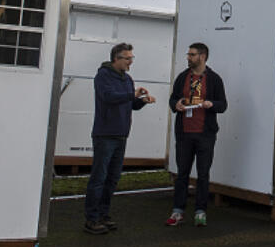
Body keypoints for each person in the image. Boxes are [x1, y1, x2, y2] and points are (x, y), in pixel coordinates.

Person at [84, 42, 155, 234]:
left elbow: (129, 104)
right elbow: (109, 97)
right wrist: (131, 94)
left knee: (112, 178)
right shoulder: (103, 76)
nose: (130, 61)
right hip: (105, 134)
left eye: (132, 58)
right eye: (127, 58)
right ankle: (91, 218)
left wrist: (142, 101)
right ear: (116, 58)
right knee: (99, 177)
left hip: (122, 134)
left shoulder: (127, 79)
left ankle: (103, 214)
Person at [166, 42, 228, 227]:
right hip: (184, 133)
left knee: (203, 174)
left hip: (205, 134)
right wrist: (176, 104)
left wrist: (211, 104)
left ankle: (200, 211)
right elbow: (172, 99)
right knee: (182, 173)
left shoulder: (214, 79)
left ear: (202, 56)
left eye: (192, 54)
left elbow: (223, 105)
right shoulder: (183, 77)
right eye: (188, 54)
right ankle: (178, 210)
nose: (188, 57)